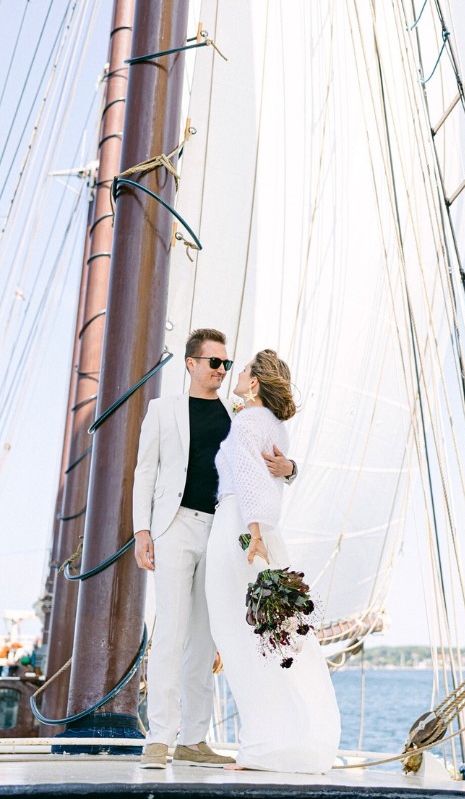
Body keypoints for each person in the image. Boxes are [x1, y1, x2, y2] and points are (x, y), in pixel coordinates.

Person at [133, 328, 298, 770]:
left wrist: (292, 468)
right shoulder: (162, 409)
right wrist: (141, 531)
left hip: (220, 532)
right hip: (173, 527)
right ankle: (160, 737)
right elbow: (144, 471)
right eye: (215, 362)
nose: (223, 370)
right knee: (171, 630)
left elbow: (266, 459)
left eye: (227, 364)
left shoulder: (237, 412)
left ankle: (193, 738)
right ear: (191, 363)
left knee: (206, 639)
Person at [205, 349, 340, 773]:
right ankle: (289, 742)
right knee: (269, 637)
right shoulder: (273, 424)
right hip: (255, 529)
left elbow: (249, 480)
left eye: (243, 370)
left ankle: (264, 748)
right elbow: (270, 476)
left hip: (241, 531)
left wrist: (255, 534)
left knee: (239, 636)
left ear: (256, 383)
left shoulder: (248, 420)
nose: (236, 374)